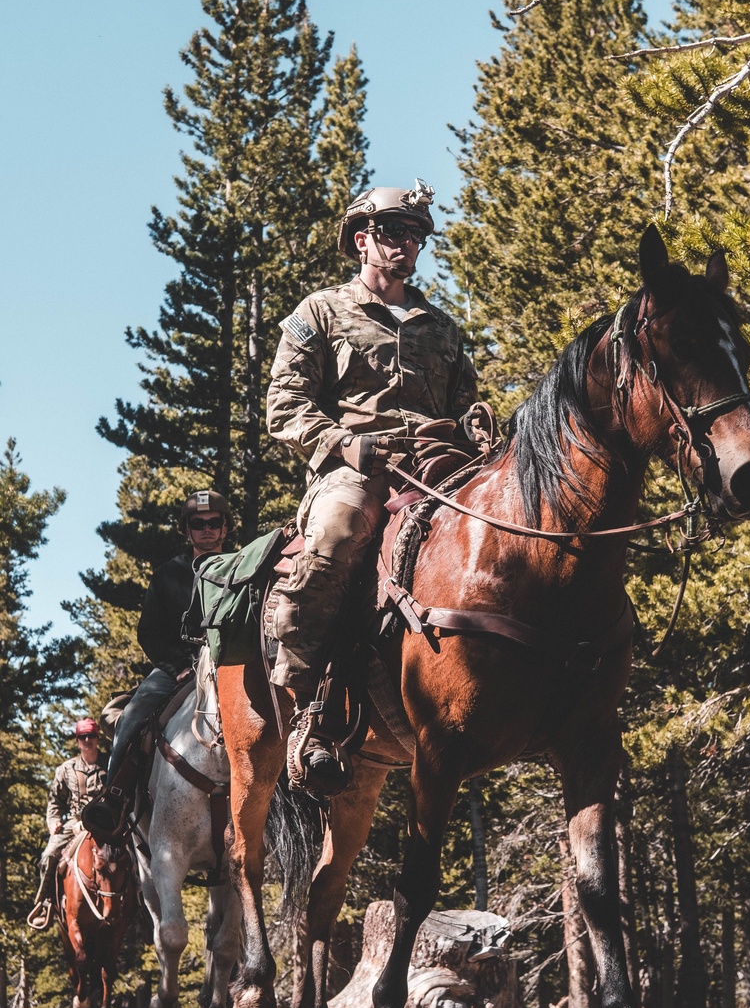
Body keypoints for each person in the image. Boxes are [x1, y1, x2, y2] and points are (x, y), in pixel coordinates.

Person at [266, 178, 478, 793]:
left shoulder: (442, 328)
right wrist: (343, 443)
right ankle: (303, 688)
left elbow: (467, 407)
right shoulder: (320, 312)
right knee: (336, 531)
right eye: (392, 232)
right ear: (362, 239)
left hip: (439, 466)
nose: (405, 244)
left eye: (415, 236)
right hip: (356, 468)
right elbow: (285, 406)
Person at [80, 490, 231, 839]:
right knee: (132, 715)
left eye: (213, 523)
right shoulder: (168, 574)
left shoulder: (243, 568)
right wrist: (177, 665)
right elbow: (148, 632)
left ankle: (300, 800)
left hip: (233, 664)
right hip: (177, 668)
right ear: (187, 530)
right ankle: (114, 797)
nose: (206, 530)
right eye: (198, 524)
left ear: (225, 528)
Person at [27, 718, 107, 930]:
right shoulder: (66, 769)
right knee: (47, 857)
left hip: (106, 825)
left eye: (91, 735)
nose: (87, 740)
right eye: (83, 737)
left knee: (136, 856)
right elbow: (55, 802)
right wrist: (53, 822)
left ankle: (144, 907)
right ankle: (45, 903)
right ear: (77, 740)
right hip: (75, 824)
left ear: (97, 738)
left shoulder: (110, 765)